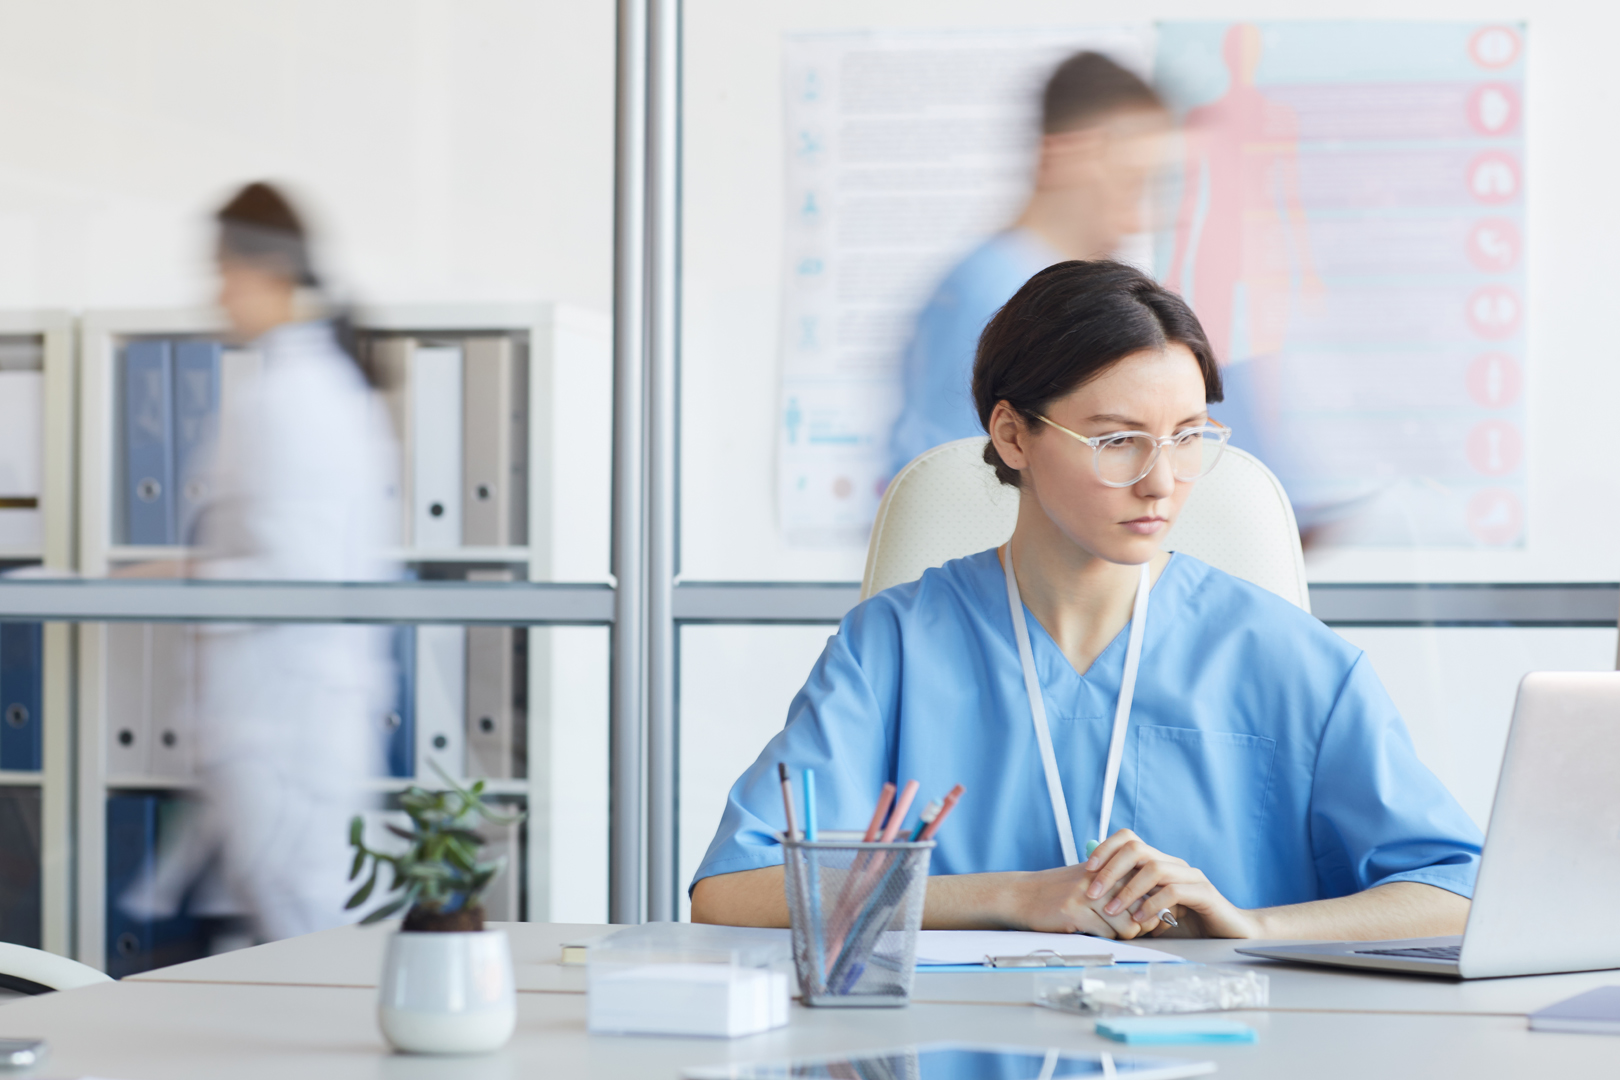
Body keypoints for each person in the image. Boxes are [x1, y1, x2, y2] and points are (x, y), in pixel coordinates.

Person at [692, 261, 1481, 940]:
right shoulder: (893, 648)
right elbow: (732, 891)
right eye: (1116, 440)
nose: (1161, 481)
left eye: (1187, 436)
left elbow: (1459, 890)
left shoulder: (1293, 661)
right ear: (1013, 436)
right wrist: (1012, 897)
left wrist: (1253, 926)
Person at [184, 183, 399, 941]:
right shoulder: (294, 381)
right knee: (294, 925)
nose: (217, 294)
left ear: (266, 271)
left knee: (309, 932)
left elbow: (298, 575)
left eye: (223, 273)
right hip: (278, 717)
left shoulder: (298, 394)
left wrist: (175, 581)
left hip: (285, 720)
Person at [887, 52, 1170, 478]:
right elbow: (946, 479)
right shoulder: (996, 296)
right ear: (1068, 155)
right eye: (1131, 182)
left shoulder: (1027, 287)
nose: (1139, 219)